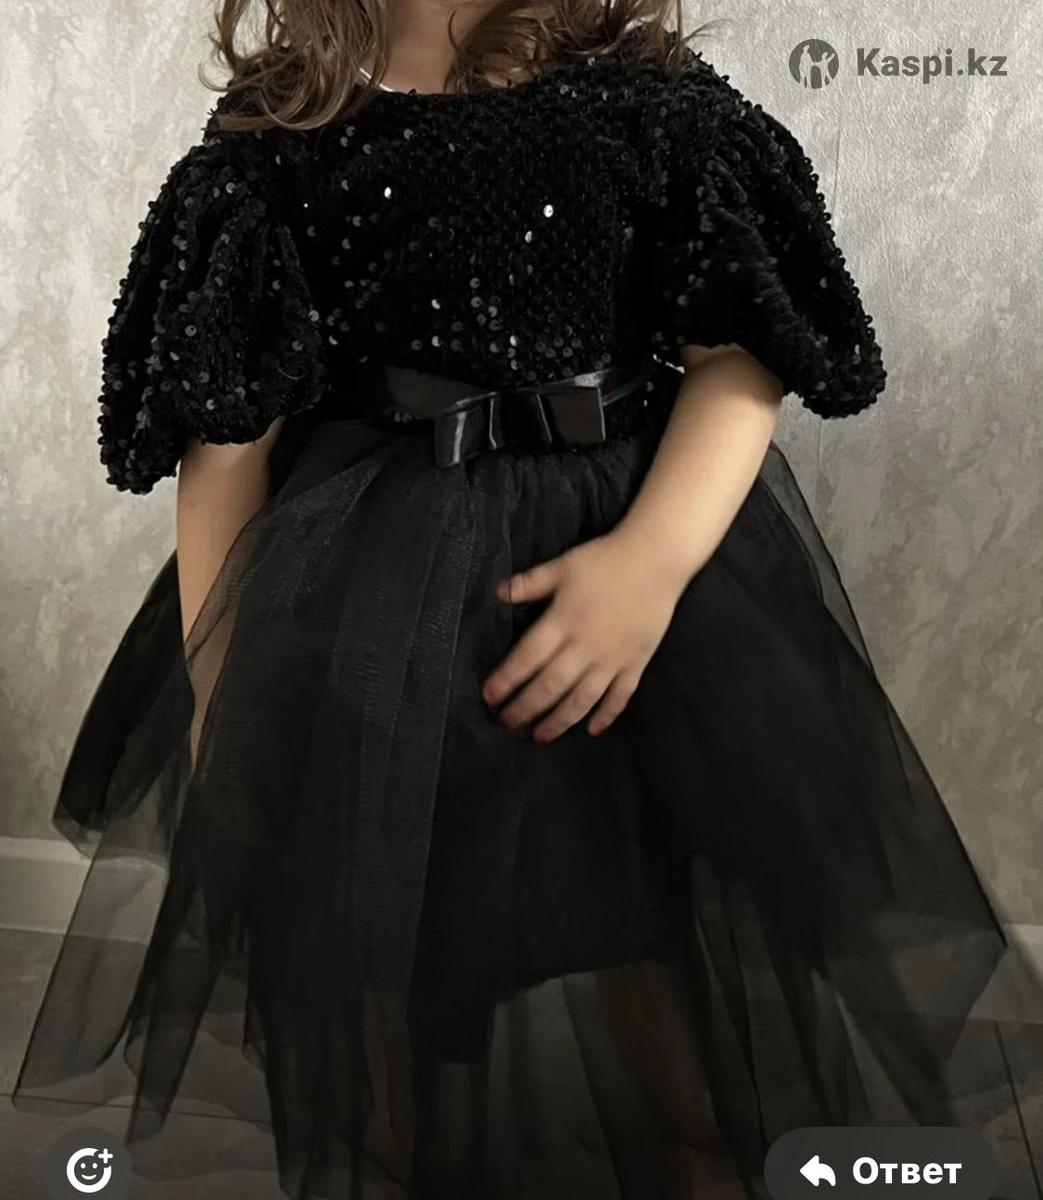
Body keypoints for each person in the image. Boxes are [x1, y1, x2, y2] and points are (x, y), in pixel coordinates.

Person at [13, 3, 1042, 1198]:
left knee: (643, 918)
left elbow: (739, 356)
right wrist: (220, 691)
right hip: (370, 613)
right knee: (375, 936)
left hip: (619, 584)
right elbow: (229, 439)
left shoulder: (647, 104)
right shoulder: (279, 136)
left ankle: (687, 1154)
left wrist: (651, 563)